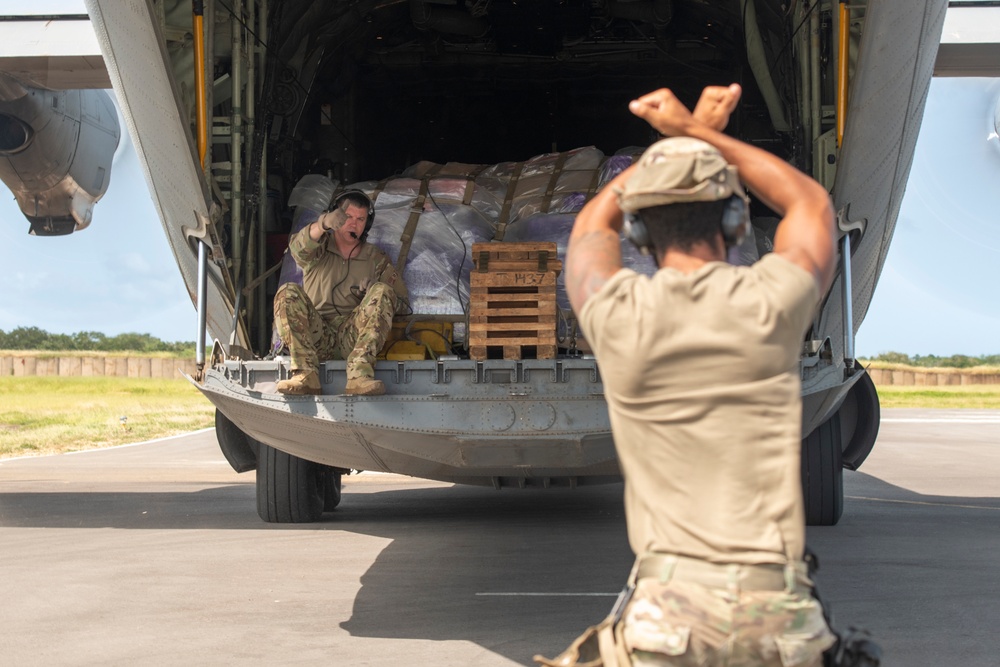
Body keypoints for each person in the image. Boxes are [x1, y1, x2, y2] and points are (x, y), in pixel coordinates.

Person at [562, 84, 839, 666]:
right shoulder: (772, 302)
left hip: (670, 618)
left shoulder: (619, 316)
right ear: (738, 221)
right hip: (777, 620)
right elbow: (811, 207)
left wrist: (663, 148)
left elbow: (590, 227)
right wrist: (701, 135)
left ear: (639, 232)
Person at [273, 190, 408, 396]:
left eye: (360, 219)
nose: (353, 224)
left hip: (352, 335)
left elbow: (402, 303)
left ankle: (359, 376)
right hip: (317, 334)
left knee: (382, 290)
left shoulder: (376, 258)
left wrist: (372, 290)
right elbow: (297, 248)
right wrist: (322, 223)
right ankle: (305, 375)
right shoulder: (318, 249)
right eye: (347, 217)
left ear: (367, 224)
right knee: (287, 292)